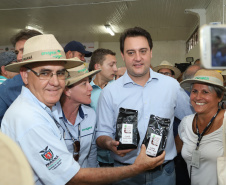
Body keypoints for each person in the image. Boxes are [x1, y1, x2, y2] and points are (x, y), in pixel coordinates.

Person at [1, 34, 165, 185]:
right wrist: (136, 168)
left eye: (60, 73)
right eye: (44, 73)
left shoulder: (44, 109)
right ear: (24, 75)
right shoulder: (29, 118)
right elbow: (72, 177)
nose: (56, 82)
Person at [96, 27, 193, 185]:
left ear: (151, 52)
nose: (138, 58)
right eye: (131, 52)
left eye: (143, 51)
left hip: (164, 174)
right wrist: (108, 143)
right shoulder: (109, 92)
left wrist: (177, 146)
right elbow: (101, 133)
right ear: (123, 55)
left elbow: (191, 120)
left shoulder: (171, 86)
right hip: (124, 175)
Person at [176, 69, 225, 185]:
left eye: (205, 92)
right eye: (194, 91)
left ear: (219, 97)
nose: (198, 97)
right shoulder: (186, 123)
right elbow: (174, 149)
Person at [52, 64, 101, 168]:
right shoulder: (51, 118)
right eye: (84, 83)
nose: (90, 88)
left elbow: (92, 154)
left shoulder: (90, 114)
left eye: (89, 81)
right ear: (67, 90)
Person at [0, 29, 42, 125]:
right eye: (17, 52)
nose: (19, 57)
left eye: (23, 51)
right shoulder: (7, 89)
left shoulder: (58, 83)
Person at [88, 48, 118, 167]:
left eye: (115, 65)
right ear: (97, 66)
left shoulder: (119, 90)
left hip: (119, 157)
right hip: (94, 158)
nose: (115, 69)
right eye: (111, 65)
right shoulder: (85, 93)